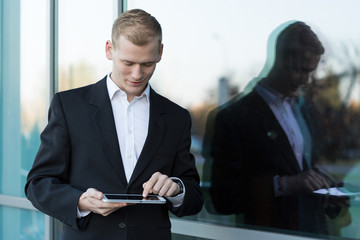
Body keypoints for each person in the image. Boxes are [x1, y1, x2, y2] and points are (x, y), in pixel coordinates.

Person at [25, 9, 203, 240]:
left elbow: (195, 198)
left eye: (147, 64)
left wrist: (177, 188)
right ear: (109, 50)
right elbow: (38, 184)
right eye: (128, 63)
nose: (137, 74)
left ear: (160, 53)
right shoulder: (69, 106)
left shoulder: (176, 117)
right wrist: (79, 201)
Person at [204, 21, 345, 235]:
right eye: (301, 71)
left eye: (311, 72)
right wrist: (285, 184)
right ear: (281, 59)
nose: (307, 81)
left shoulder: (307, 112)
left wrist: (326, 189)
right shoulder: (231, 118)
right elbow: (221, 198)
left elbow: (303, 169)